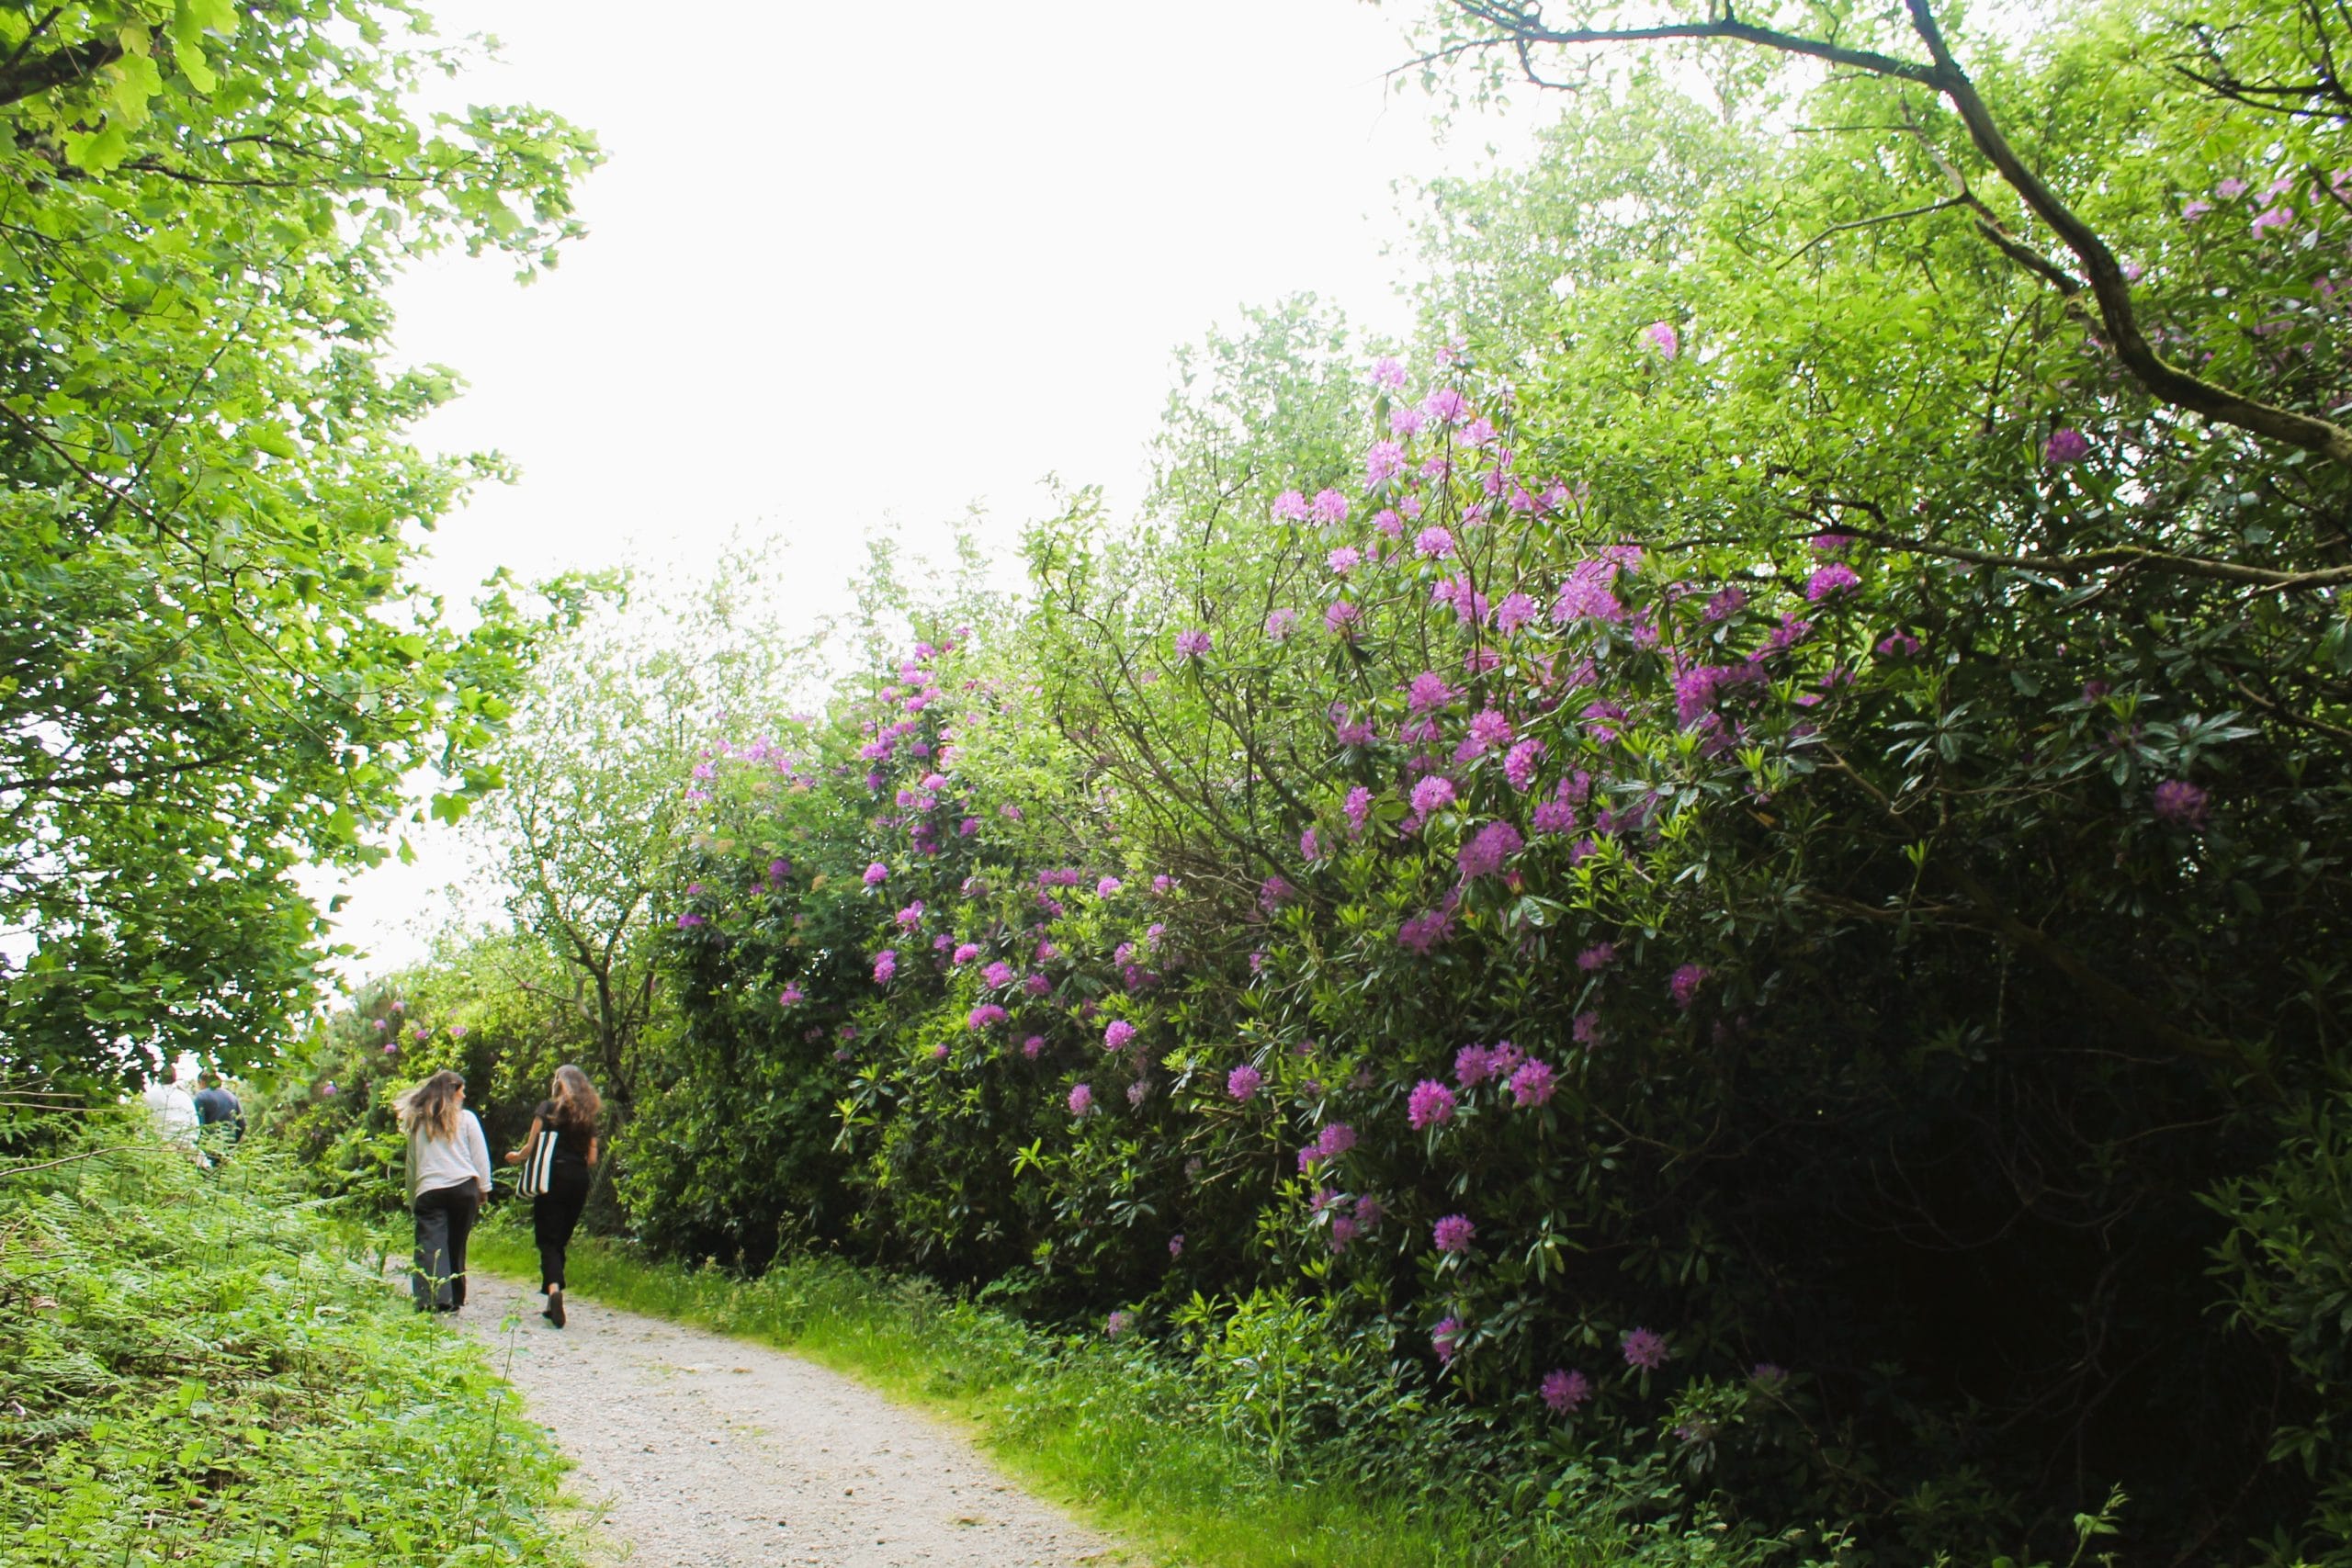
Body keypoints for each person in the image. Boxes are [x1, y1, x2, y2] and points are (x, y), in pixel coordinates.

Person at [503, 1064, 599, 1328]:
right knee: (561, 1240)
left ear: (558, 1083)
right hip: (578, 1180)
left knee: (548, 1239)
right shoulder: (587, 1116)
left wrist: (516, 1157)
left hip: (551, 1179)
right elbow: (592, 1159)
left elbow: (530, 1147)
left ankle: (554, 1290)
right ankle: (551, 1301)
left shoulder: (546, 1109)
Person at [394, 1070, 491, 1314]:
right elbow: (480, 1155)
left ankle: (431, 1298)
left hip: (430, 1189)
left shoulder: (418, 1123)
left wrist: (412, 1196)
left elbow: (411, 1165)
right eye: (461, 1090)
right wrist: (484, 1188)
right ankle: (454, 1298)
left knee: (430, 1244)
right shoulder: (466, 1119)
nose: (465, 1095)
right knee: (456, 1244)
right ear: (452, 1092)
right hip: (464, 1187)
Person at [141, 1066, 198, 1147]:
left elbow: (140, 1124)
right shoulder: (185, 1096)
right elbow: (195, 1124)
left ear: (159, 1076)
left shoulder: (148, 1096)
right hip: (186, 1144)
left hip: (157, 1145)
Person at [191, 1071, 243, 1156]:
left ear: (201, 1082)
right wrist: (233, 1144)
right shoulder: (232, 1097)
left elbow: (199, 1125)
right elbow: (242, 1125)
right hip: (228, 1146)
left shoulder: (201, 1097)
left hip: (209, 1146)